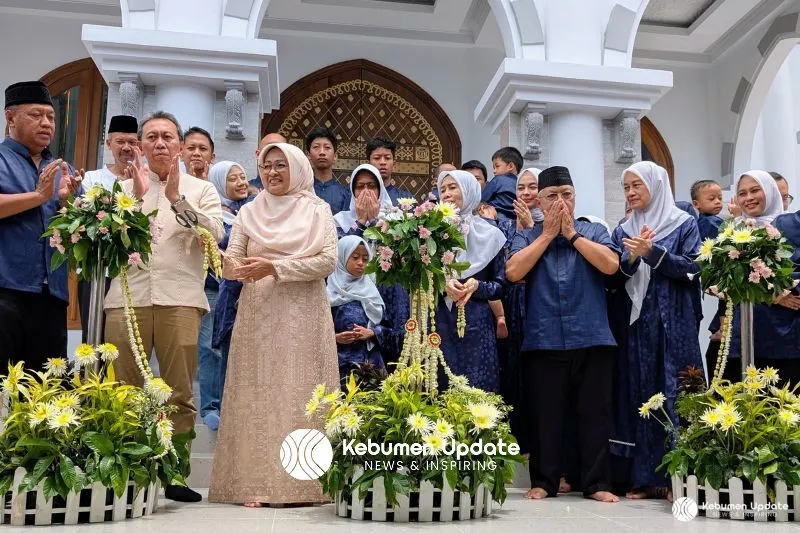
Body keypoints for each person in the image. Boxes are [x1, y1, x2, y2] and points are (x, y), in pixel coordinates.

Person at [208, 142, 339, 507]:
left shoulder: (318, 209)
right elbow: (233, 263)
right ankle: (256, 484)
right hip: (258, 312)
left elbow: (327, 261)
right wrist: (221, 259)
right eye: (267, 166)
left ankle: (306, 484)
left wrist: (276, 267)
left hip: (304, 313)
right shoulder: (249, 212)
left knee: (300, 392)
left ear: (297, 168)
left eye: (281, 165)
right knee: (259, 394)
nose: (273, 173)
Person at [104, 111, 224, 503]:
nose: (160, 143)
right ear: (140, 145)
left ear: (179, 144)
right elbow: (104, 241)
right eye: (152, 137)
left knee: (179, 393)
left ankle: (174, 474)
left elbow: (213, 233)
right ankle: (125, 472)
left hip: (181, 300)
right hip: (126, 299)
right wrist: (134, 199)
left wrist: (176, 200)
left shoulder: (200, 189)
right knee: (124, 391)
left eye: (168, 137)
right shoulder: (117, 189)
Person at [506, 165, 620, 503]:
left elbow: (611, 265)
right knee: (546, 415)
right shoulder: (527, 235)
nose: (560, 202)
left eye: (566, 195)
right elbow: (513, 271)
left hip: (592, 335)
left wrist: (571, 234)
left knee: (595, 415)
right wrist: (546, 235)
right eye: (552, 197)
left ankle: (597, 483)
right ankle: (544, 481)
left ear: (575, 197)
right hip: (544, 338)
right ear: (538, 201)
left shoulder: (592, 230)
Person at [611, 161, 702, 501]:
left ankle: (677, 475)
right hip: (636, 322)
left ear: (657, 186)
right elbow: (616, 276)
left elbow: (693, 268)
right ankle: (643, 476)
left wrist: (653, 252)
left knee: (674, 390)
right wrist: (632, 258)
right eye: (626, 187)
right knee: (640, 390)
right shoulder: (623, 229)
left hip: (673, 319)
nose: (631, 193)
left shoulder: (683, 224)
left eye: (637, 186)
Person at [0, 81, 81, 371]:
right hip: (6, 289)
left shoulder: (64, 170)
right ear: (10, 118)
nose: (46, 123)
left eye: (51, 117)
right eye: (36, 115)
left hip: (52, 296)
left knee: (43, 393)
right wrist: (38, 197)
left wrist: (66, 204)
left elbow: (78, 232)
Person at [437, 170, 507, 392]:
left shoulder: (491, 234)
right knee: (440, 389)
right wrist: (442, 283)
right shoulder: (430, 233)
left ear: (469, 190)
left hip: (477, 324)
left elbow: (501, 285)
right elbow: (417, 282)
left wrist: (477, 286)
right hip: (439, 322)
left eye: (453, 187)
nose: (447, 194)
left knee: (478, 390)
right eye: (443, 189)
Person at [725, 171, 799, 382]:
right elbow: (719, 281)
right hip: (744, 331)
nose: (748, 198)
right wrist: (768, 293)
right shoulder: (733, 232)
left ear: (770, 191)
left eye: (755, 190)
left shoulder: (789, 226)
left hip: (783, 333)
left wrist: (783, 290)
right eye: (742, 193)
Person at [335, 164, 408, 366]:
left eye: (371, 186)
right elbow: (340, 257)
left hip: (388, 291)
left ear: (380, 190)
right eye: (360, 187)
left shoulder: (397, 221)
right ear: (352, 191)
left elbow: (401, 260)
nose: (366, 192)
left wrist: (378, 224)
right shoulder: (340, 222)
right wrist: (359, 223)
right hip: (352, 296)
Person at [198, 161, 252, 431]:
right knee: (211, 347)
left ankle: (232, 405)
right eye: (233, 179)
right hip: (214, 287)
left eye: (243, 176)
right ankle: (210, 406)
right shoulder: (213, 215)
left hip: (245, 289)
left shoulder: (251, 211)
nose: (241, 182)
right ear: (219, 183)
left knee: (237, 348)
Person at [78, 115, 139, 343]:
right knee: (93, 338)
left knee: (125, 340)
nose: (127, 148)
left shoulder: (144, 179)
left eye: (132, 143)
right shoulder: (92, 179)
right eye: (120, 142)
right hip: (97, 272)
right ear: (108, 143)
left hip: (132, 274)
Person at [328, 235, 388, 385]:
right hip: (339, 367)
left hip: (372, 368)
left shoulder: (373, 292)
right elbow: (314, 332)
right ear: (341, 258)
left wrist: (373, 333)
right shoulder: (328, 294)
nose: (361, 263)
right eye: (355, 257)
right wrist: (335, 338)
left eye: (365, 259)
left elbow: (391, 329)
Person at [690, 179, 725, 363]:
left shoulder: (715, 221)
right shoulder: (709, 224)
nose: (718, 202)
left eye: (720, 197)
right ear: (697, 204)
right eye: (712, 198)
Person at [305, 127, 349, 215]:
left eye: (327, 147)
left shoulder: (345, 194)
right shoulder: (303, 191)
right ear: (308, 155)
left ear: (335, 156)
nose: (322, 152)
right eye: (316, 147)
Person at [366, 137, 413, 205]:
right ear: (368, 164)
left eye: (387, 158)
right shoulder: (350, 195)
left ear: (394, 165)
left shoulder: (406, 199)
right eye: (377, 158)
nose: (383, 162)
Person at [482, 147, 523, 221]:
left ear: (510, 166)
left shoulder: (498, 180)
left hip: (496, 215)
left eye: (497, 166)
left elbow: (483, 198)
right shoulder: (520, 184)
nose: (494, 171)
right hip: (514, 219)